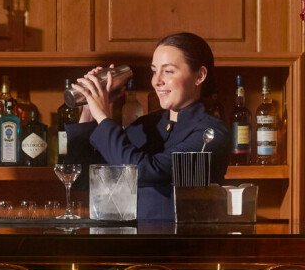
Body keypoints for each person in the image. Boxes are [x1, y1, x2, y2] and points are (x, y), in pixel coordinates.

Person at [67, 31, 235, 223]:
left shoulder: (210, 133)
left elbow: (145, 171)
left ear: (200, 76)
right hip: (137, 246)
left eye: (169, 71)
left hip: (185, 247)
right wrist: (89, 110)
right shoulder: (145, 125)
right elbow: (83, 178)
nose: (157, 81)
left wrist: (103, 116)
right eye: (154, 70)